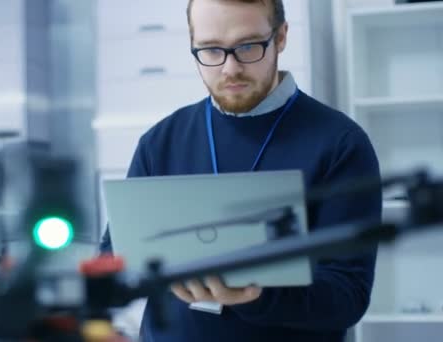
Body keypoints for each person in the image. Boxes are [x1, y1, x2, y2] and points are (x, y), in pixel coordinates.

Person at [99, 0, 382, 341]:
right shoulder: (160, 141)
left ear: (281, 37)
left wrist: (259, 295)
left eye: (248, 46)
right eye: (210, 49)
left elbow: (348, 296)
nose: (230, 68)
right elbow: (113, 259)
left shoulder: (341, 144)